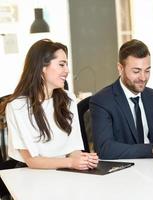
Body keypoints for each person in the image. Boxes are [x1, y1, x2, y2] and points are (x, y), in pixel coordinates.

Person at [0, 39, 98, 198]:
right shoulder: (17, 107)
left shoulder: (68, 99)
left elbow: (73, 149)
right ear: (41, 68)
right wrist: (71, 163)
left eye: (67, 64)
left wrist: (83, 159)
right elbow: (32, 161)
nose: (67, 70)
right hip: (31, 178)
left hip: (65, 175)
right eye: (61, 64)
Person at [90, 39, 153, 159]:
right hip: (124, 172)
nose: (143, 78)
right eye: (136, 71)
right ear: (120, 69)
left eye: (147, 71)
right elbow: (104, 148)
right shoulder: (102, 101)